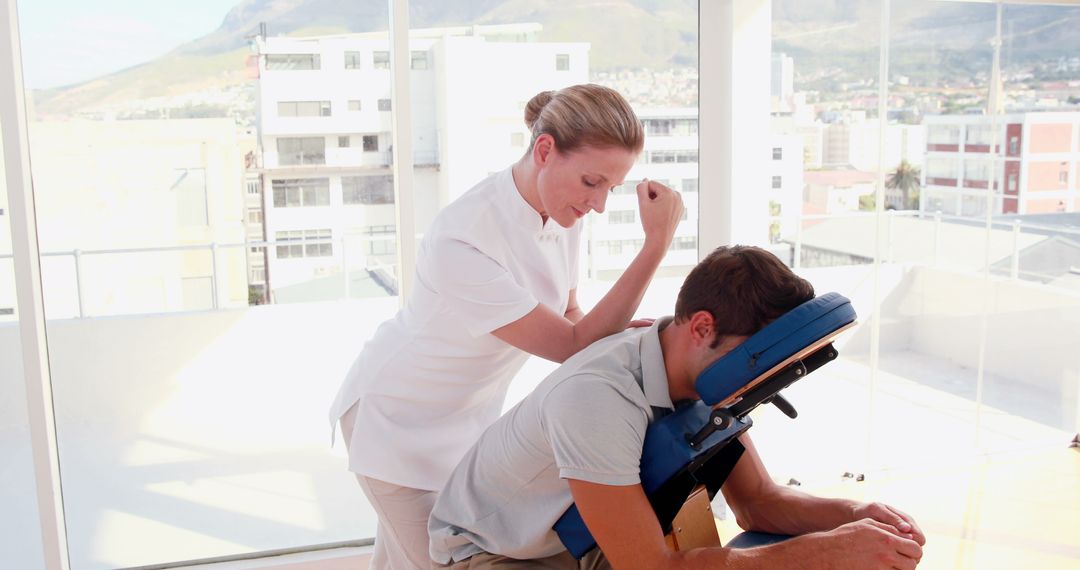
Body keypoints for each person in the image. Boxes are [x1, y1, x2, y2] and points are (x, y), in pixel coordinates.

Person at [329, 84, 684, 570]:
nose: (598, 204)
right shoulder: (463, 237)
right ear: (544, 151)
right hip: (399, 421)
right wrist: (655, 246)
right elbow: (570, 343)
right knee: (440, 563)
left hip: (469, 421)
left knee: (401, 560)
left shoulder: (564, 214)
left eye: (610, 189)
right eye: (591, 182)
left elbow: (571, 312)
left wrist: (621, 336)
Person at [429, 245, 926, 570]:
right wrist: (826, 552)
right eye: (756, 358)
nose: (760, 378)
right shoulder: (597, 397)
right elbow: (649, 569)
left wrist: (853, 514)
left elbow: (758, 504)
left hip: (591, 537)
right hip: (497, 553)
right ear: (703, 328)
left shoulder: (709, 380)